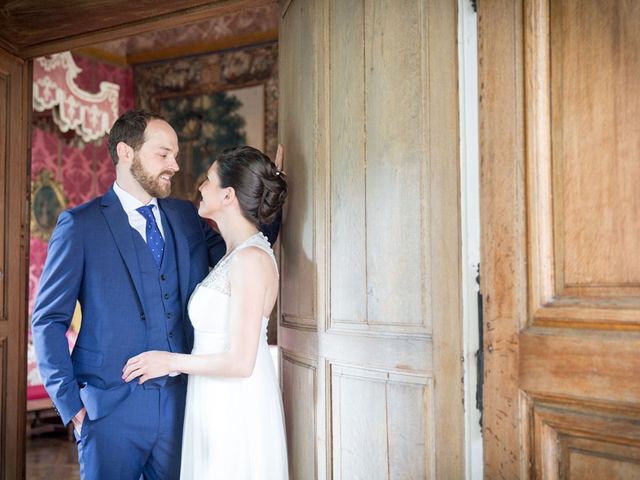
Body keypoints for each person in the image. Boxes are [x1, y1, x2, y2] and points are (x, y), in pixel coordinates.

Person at [31, 109, 281, 479]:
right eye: (163, 154)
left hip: (186, 409)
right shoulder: (80, 226)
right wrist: (72, 407)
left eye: (175, 154)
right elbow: (48, 320)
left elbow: (245, 251)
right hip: (109, 413)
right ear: (126, 153)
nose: (175, 166)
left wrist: (267, 186)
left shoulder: (185, 217)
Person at [122, 146, 289, 479]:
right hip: (212, 398)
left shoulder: (250, 260)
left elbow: (241, 362)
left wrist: (168, 361)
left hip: (233, 405)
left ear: (228, 196)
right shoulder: (234, 254)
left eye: (209, 180)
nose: (200, 186)